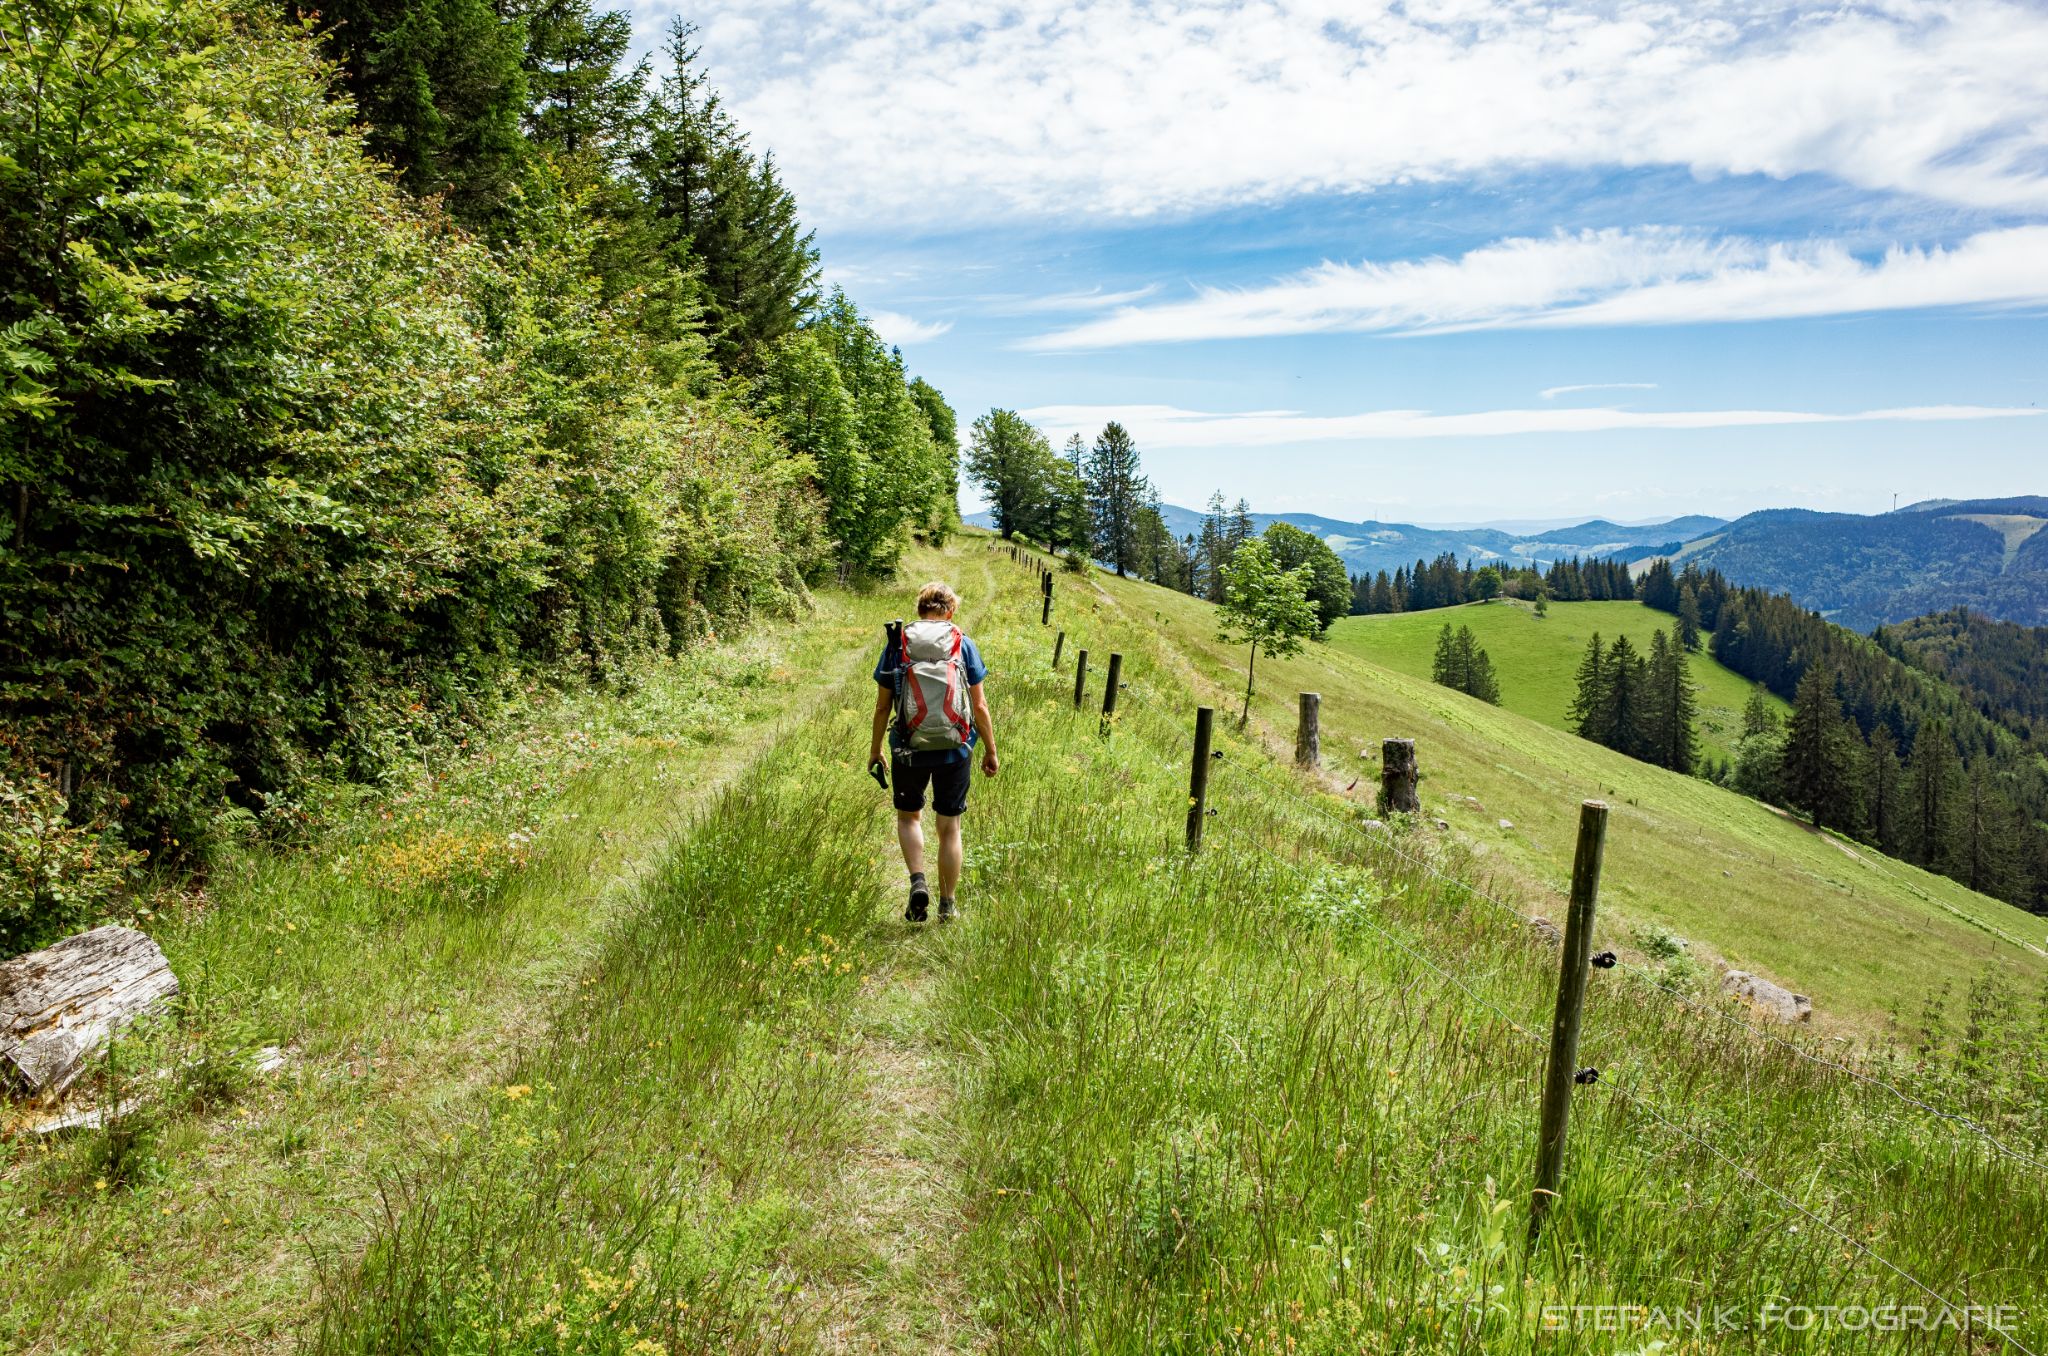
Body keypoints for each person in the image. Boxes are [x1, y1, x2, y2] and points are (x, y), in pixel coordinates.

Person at [869, 582, 998, 922]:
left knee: (909, 816)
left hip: (908, 747)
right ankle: (947, 905)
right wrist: (990, 750)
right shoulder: (963, 644)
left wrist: (876, 749)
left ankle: (917, 881)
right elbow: (980, 705)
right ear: (951, 612)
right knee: (950, 827)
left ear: (919, 611)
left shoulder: (899, 646)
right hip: (955, 749)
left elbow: (883, 708)